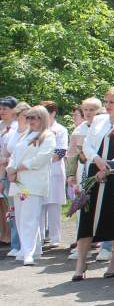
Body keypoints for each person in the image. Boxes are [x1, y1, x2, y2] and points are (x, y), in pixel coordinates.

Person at [73, 89, 114, 281]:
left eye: (112, 102)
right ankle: (80, 263)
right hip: (96, 170)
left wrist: (109, 167)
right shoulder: (99, 120)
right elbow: (87, 145)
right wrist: (96, 159)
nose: (108, 106)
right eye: (106, 102)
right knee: (87, 217)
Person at [6, 106, 56, 265]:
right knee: (21, 217)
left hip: (33, 183)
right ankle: (31, 249)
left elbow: (42, 157)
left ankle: (28, 252)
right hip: (18, 183)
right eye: (28, 117)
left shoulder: (48, 135)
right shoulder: (24, 135)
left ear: (42, 118)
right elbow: (13, 156)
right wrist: (10, 169)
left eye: (33, 117)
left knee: (30, 217)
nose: (30, 120)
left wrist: (19, 167)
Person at [66, 97, 102, 262]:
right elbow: (72, 154)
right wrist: (71, 175)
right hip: (83, 173)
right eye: (85, 110)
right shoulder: (79, 130)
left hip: (100, 171)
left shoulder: (104, 127)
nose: (88, 113)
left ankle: (105, 245)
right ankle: (82, 246)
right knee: (82, 208)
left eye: (91, 110)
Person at [40, 101, 68, 250]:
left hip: (54, 171)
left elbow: (60, 152)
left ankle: (54, 237)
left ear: (53, 113)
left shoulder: (60, 130)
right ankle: (39, 236)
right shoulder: (37, 129)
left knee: (53, 205)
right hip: (39, 172)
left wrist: (39, 159)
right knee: (39, 206)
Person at [0, 96, 18, 245]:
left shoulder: (17, 127)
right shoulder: (0, 125)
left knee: (8, 204)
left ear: (13, 110)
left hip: (7, 169)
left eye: (5, 109)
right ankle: (3, 233)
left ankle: (10, 235)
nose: (1, 111)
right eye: (0, 109)